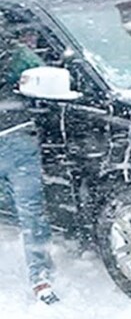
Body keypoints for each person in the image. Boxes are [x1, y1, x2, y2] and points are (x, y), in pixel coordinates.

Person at [0, 29, 60, 305]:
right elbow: (45, 74)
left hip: (16, 138)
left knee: (28, 210)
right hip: (17, 136)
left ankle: (40, 275)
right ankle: (40, 276)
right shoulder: (15, 53)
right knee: (30, 211)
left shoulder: (13, 53)